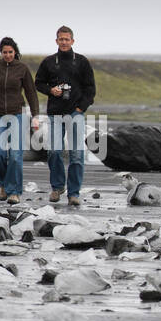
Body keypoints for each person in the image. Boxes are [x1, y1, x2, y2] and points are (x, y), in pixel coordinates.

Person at [34, 25, 96, 207]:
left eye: (67, 39)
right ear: (56, 41)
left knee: (76, 154)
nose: (64, 42)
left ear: (72, 41)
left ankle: (74, 193)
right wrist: (50, 89)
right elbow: (38, 82)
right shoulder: (49, 62)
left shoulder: (82, 62)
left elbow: (90, 89)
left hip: (75, 113)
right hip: (55, 113)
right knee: (54, 152)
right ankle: (57, 187)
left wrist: (80, 108)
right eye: (61, 39)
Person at [0, 37, 39, 205]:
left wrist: (35, 116)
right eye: (5, 52)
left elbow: (31, 93)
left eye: (10, 52)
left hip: (17, 114)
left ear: (15, 52)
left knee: (15, 155)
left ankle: (14, 192)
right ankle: (4, 183)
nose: (8, 55)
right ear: (1, 52)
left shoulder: (22, 68)